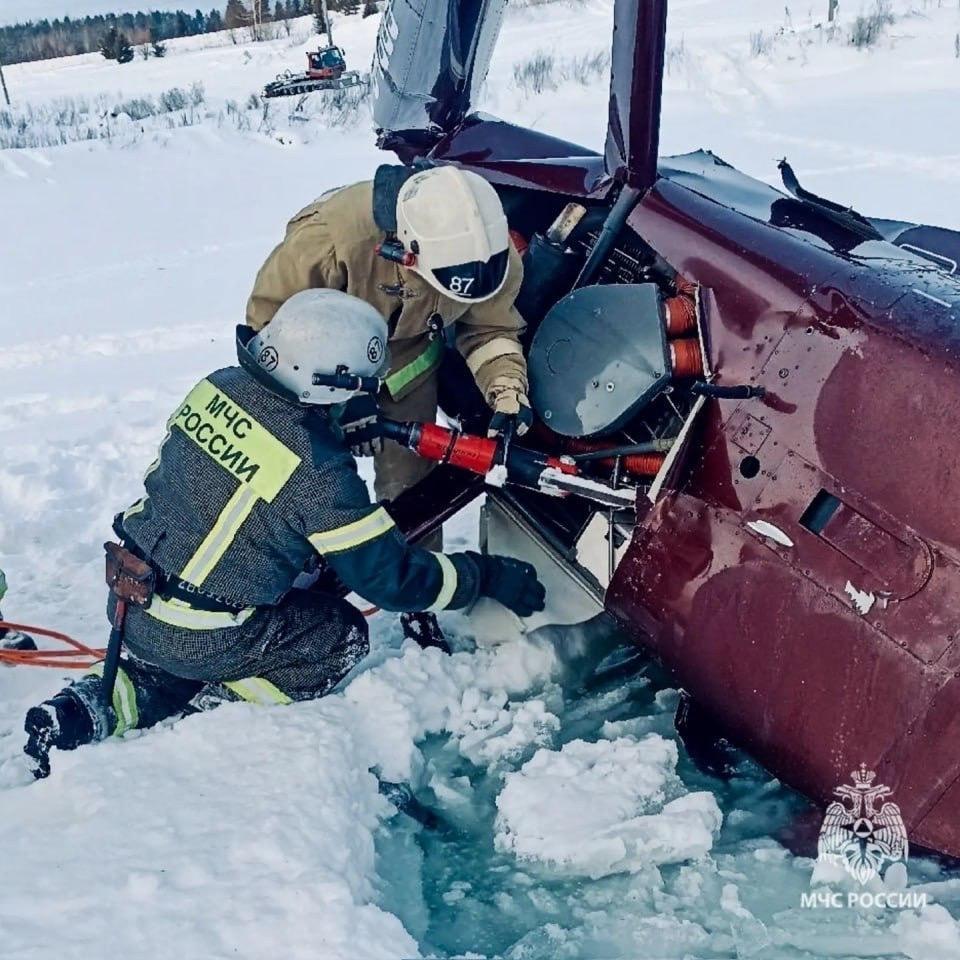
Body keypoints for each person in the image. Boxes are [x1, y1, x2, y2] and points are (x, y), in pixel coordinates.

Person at [23, 290, 546, 779]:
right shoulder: (318, 474)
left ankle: (89, 708)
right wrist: (485, 576)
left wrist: (329, 427)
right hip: (201, 630)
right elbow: (393, 581)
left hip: (131, 599)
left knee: (238, 604)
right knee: (336, 635)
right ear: (328, 388)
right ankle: (213, 705)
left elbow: (253, 465)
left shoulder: (220, 385)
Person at [246, 165, 533, 648]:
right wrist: (346, 399)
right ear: (406, 251)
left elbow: (490, 328)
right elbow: (269, 326)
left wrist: (506, 391)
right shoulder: (331, 239)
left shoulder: (490, 256)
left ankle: (418, 604)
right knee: (303, 483)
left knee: (413, 486)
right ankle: (281, 585)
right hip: (312, 366)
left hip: (406, 362)